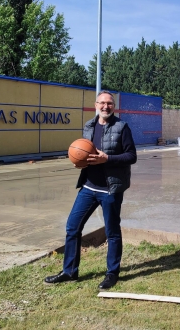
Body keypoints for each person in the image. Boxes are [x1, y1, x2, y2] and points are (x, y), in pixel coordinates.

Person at [45, 91, 137, 289]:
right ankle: (69, 272)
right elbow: (83, 151)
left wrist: (108, 159)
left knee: (112, 232)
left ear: (114, 106)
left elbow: (131, 156)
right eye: (102, 103)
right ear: (96, 105)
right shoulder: (89, 126)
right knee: (72, 227)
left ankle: (112, 273)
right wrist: (80, 162)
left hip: (111, 189)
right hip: (88, 187)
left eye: (110, 103)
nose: (106, 106)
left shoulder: (122, 127)